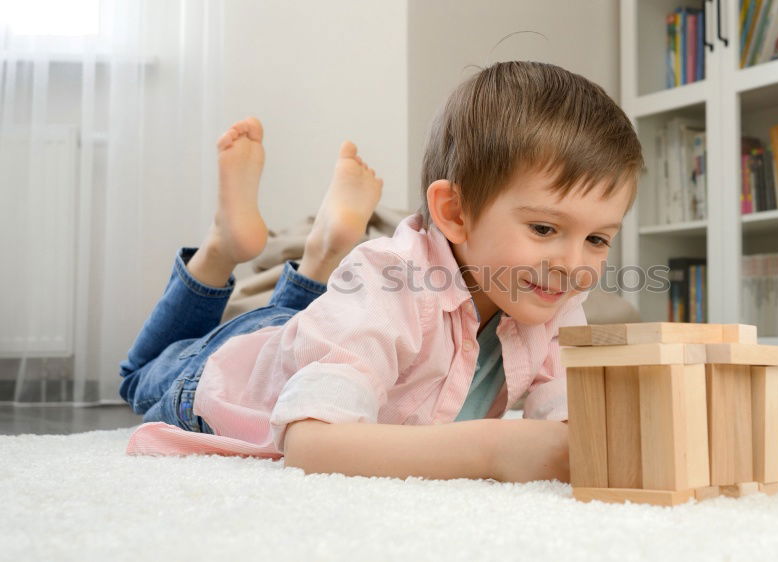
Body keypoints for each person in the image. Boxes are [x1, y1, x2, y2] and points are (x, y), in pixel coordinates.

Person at [119, 61, 643, 484]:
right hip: (229, 369)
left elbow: (571, 420)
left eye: (597, 239)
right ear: (456, 214)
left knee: (299, 319)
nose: (575, 266)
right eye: (545, 229)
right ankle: (221, 247)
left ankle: (324, 253)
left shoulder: (555, 299)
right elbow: (312, 443)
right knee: (138, 376)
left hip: (318, 330)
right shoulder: (389, 280)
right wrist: (493, 450)